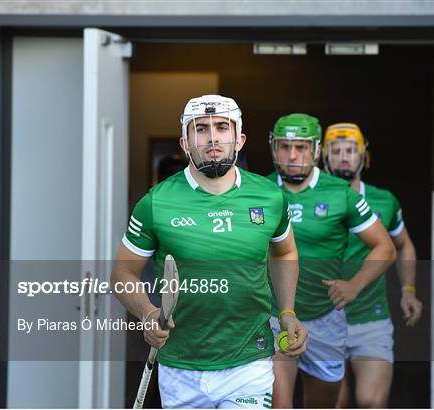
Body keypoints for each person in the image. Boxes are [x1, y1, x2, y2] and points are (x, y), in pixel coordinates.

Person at [111, 95, 308, 409]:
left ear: (239, 139)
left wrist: (286, 311)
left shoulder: (270, 197)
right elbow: (122, 274)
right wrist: (148, 314)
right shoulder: (155, 202)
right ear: (184, 142)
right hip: (180, 366)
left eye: (222, 127)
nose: (213, 137)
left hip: (249, 361)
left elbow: (284, 253)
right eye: (200, 128)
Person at [266, 113, 396, 408]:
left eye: (301, 146)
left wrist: (355, 285)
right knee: (279, 403)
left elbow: (384, 247)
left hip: (325, 318)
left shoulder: (340, 194)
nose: (293, 155)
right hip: (273, 316)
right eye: (285, 147)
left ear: (316, 151)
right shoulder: (257, 191)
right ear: (274, 149)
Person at [322, 122, 423, 408]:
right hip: (323, 319)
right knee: (333, 404)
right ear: (324, 156)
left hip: (371, 318)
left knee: (370, 402)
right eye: (337, 150)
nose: (344, 156)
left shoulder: (384, 200)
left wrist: (408, 289)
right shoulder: (309, 197)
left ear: (363, 156)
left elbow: (404, 245)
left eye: (351, 150)